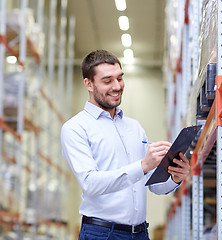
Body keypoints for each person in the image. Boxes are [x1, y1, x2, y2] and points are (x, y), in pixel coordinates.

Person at [60, 49, 190, 240]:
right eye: (107, 81)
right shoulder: (75, 128)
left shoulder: (134, 127)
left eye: (120, 78)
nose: (117, 86)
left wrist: (176, 177)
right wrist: (143, 165)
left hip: (140, 233)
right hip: (102, 234)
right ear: (88, 84)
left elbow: (153, 186)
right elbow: (90, 184)